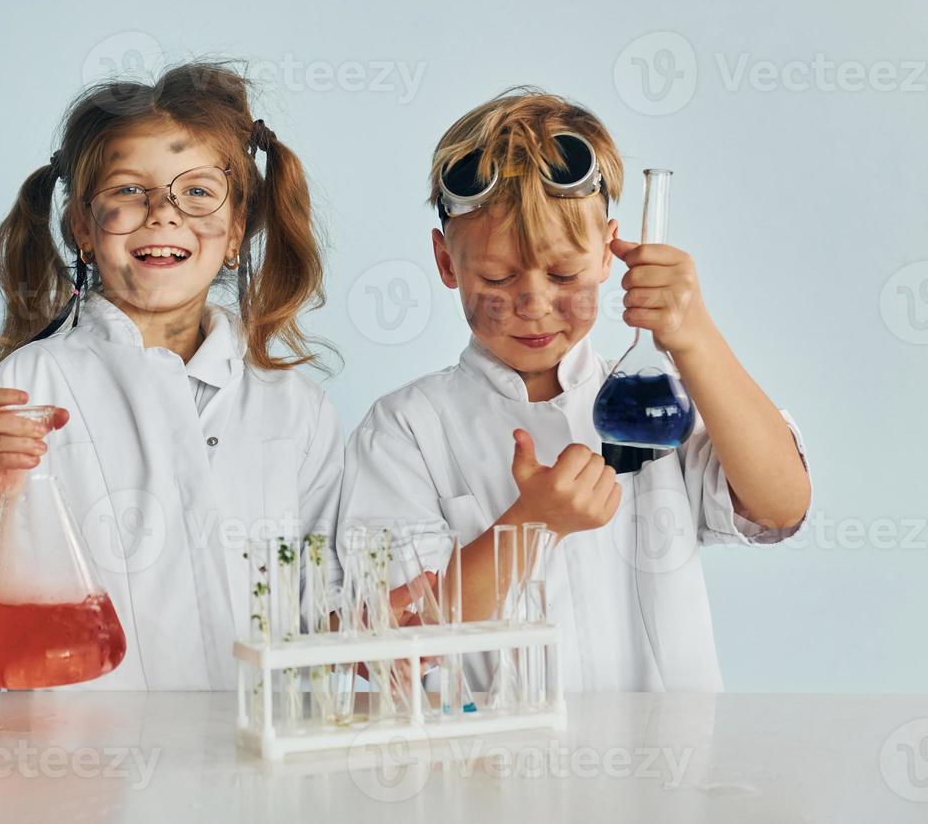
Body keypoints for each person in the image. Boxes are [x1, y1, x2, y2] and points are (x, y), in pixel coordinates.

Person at [338, 88, 811, 691]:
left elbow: (780, 504)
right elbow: (397, 637)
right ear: (446, 261)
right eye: (497, 277)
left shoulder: (658, 401)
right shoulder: (407, 429)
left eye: (564, 274)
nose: (534, 304)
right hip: (490, 773)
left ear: (610, 251)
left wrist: (694, 339)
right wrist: (533, 524)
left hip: (665, 772)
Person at [0, 62, 342, 689]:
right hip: (88, 769)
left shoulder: (296, 409)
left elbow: (329, 605)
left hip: (256, 765)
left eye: (198, 191)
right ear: (82, 228)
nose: (163, 214)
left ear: (236, 231)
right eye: (128, 191)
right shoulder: (25, 391)